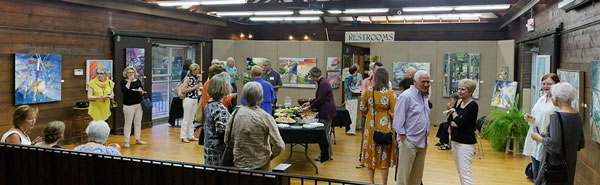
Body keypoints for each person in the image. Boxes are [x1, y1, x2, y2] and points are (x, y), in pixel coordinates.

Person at [531, 82, 585, 185]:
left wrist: (539, 138)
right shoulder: (577, 115)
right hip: (569, 163)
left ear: (556, 99)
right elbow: (580, 143)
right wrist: (548, 134)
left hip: (554, 165)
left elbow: (555, 144)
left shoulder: (556, 116)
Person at [225, 82, 285, 170]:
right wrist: (269, 157)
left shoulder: (236, 113)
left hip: (239, 163)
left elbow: (227, 140)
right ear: (260, 98)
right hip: (261, 164)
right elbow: (279, 145)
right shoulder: (266, 117)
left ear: (244, 97)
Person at [359, 68, 397, 185]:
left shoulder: (368, 91)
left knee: (370, 153)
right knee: (384, 154)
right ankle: (384, 183)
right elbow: (393, 112)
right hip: (386, 125)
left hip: (371, 126)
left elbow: (362, 109)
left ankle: (371, 182)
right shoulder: (391, 93)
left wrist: (370, 111)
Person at [393, 70, 431, 185]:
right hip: (409, 143)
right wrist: (405, 140)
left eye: (428, 82)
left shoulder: (424, 96)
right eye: (423, 82)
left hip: (422, 142)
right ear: (415, 81)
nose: (426, 85)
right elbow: (398, 121)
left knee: (416, 179)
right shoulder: (406, 96)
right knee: (403, 179)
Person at [523, 73, 560, 180]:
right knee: (535, 174)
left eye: (549, 84)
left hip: (546, 140)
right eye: (543, 84)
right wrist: (529, 118)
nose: (546, 86)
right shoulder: (541, 98)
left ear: (557, 85)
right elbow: (537, 119)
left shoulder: (557, 102)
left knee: (543, 176)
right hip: (535, 139)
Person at [447, 79, 479, 185]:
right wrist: (455, 121)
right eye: (459, 89)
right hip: (455, 140)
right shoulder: (459, 102)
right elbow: (449, 120)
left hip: (466, 144)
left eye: (463, 89)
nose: (459, 92)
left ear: (470, 91)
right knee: (460, 172)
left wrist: (454, 113)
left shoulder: (473, 106)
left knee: (465, 173)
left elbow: (462, 123)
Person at [302, 67, 336, 160]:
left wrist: (309, 107)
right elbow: (319, 98)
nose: (311, 78)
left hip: (326, 111)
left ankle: (326, 155)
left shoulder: (323, 83)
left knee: (324, 134)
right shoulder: (322, 82)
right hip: (327, 110)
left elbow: (320, 100)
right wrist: (309, 102)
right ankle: (328, 154)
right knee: (326, 134)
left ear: (314, 76)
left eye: (311, 76)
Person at [202, 72, 232, 165]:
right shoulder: (219, 108)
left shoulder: (209, 103)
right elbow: (222, 133)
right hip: (218, 153)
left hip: (209, 149)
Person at [120, 66, 147, 148]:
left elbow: (143, 91)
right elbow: (125, 90)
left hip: (138, 104)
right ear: (126, 73)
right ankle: (126, 141)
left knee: (138, 123)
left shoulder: (138, 81)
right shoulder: (123, 82)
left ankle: (138, 139)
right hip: (128, 105)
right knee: (128, 123)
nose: (131, 74)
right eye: (129, 73)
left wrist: (141, 92)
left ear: (135, 73)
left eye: (132, 72)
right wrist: (129, 81)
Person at [180, 63, 202, 143]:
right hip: (188, 99)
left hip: (195, 99)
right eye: (197, 69)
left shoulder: (196, 78)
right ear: (193, 70)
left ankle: (190, 135)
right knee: (186, 118)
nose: (198, 71)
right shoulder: (187, 78)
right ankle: (183, 136)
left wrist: (199, 80)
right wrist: (194, 88)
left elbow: (200, 86)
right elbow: (183, 90)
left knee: (192, 118)